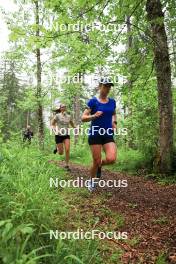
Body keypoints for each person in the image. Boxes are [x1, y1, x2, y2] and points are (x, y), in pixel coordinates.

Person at [81, 78, 117, 191]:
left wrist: (114, 123)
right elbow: (83, 118)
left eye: (109, 87)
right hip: (95, 134)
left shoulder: (112, 102)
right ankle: (91, 181)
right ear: (100, 86)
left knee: (111, 159)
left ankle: (100, 164)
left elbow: (113, 113)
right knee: (95, 161)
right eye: (105, 86)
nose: (107, 89)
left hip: (107, 134)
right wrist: (93, 116)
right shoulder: (93, 101)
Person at [51, 103, 75, 171]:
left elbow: (72, 123)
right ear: (60, 108)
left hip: (66, 135)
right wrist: (55, 129)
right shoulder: (57, 116)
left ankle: (67, 165)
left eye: (65, 107)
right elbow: (52, 124)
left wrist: (76, 127)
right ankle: (57, 148)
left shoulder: (69, 116)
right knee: (61, 153)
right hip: (58, 135)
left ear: (66, 108)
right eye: (62, 107)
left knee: (67, 149)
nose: (64, 108)